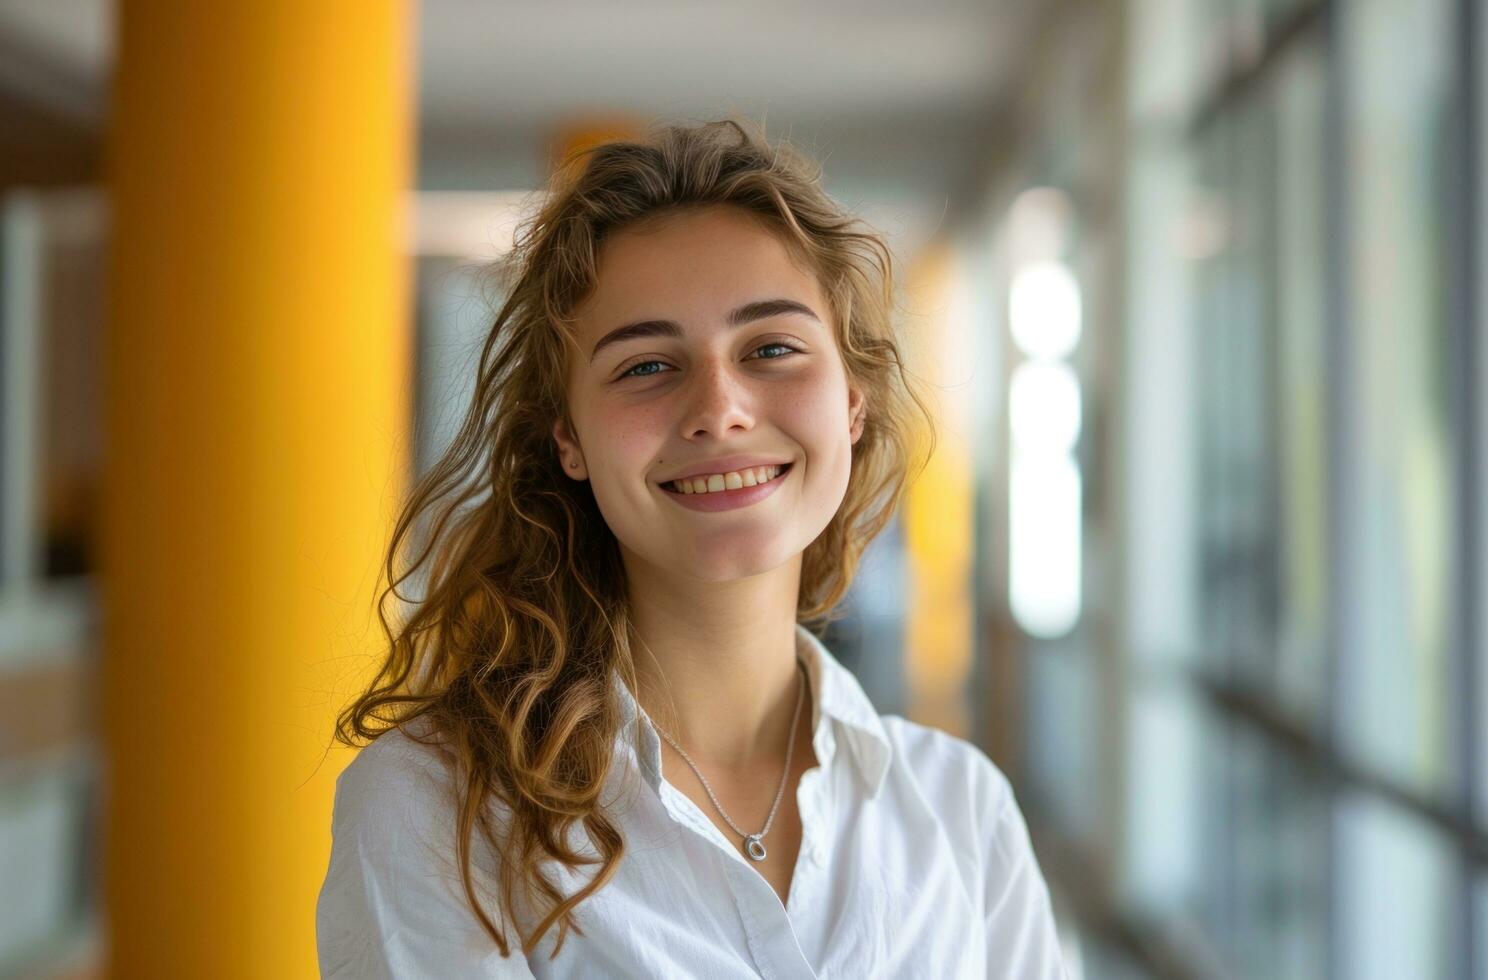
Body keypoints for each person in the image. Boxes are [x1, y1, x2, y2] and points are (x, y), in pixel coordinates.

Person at [315, 118, 1069, 979]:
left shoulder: (962, 811)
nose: (720, 408)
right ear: (569, 438)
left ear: (852, 403)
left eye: (773, 349)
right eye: (645, 366)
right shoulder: (435, 806)